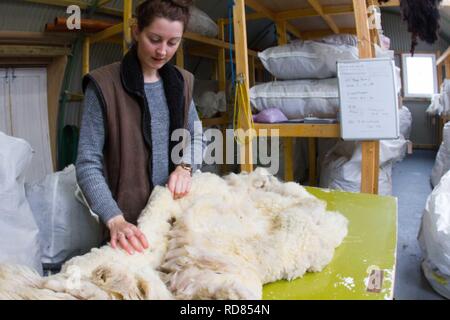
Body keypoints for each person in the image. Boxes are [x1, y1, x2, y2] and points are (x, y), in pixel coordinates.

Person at [76, 0, 203, 256]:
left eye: (172, 42)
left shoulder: (181, 82)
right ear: (136, 30)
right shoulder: (103, 85)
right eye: (154, 39)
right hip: (130, 229)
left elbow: (197, 137)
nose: (162, 52)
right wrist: (114, 219)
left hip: (176, 219)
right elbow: (87, 164)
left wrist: (185, 167)